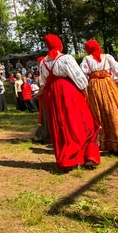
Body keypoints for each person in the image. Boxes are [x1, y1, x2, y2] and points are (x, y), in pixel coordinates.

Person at [39, 34, 100, 170]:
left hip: (52, 95)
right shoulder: (66, 58)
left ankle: (66, 160)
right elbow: (78, 76)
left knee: (60, 125)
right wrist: (84, 91)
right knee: (80, 121)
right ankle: (87, 155)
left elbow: (42, 82)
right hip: (68, 92)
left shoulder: (43, 62)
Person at [80, 40, 118, 154]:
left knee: (99, 112)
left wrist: (85, 91)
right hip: (109, 85)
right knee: (114, 109)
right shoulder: (107, 57)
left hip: (94, 86)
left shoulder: (87, 59)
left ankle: (105, 141)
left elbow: (82, 76)